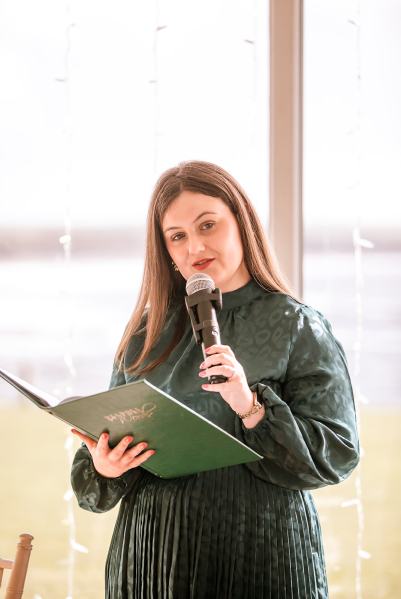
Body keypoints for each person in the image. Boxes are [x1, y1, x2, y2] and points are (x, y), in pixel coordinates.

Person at [71, 160, 360, 599]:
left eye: (209, 225)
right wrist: (105, 466)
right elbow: (97, 475)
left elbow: (337, 454)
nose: (196, 246)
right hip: (152, 561)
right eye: (178, 236)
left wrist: (251, 407)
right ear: (165, 249)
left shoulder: (297, 326)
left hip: (264, 557)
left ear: (241, 224)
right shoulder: (144, 336)